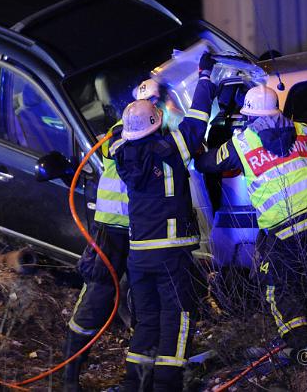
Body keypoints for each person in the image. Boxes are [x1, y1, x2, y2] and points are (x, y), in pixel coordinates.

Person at [194, 84, 307, 356]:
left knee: (277, 283)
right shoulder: (305, 130)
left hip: (286, 222)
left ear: (250, 116)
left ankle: (302, 347)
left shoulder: (242, 143)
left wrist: (195, 149)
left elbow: (207, 164)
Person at [113, 53, 216, 392]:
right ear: (158, 120)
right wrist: (205, 76)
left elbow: (123, 129)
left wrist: (141, 101)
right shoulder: (171, 147)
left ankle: (136, 385)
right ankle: (168, 385)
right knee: (178, 316)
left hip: (139, 255)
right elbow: (199, 119)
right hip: (170, 253)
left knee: (147, 322)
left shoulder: (121, 153)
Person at [62, 79, 164, 392]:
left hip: (139, 231)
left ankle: (140, 378)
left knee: (146, 302)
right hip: (113, 230)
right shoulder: (123, 132)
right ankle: (70, 378)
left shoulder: (153, 135)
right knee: (98, 297)